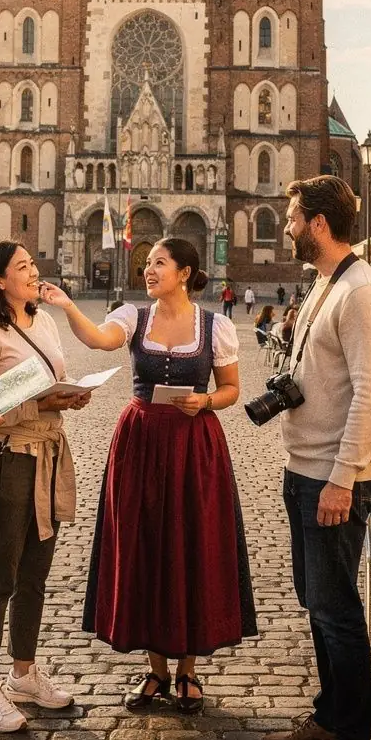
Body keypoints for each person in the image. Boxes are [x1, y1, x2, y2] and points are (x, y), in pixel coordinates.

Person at [43, 236, 256, 715]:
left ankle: (188, 672)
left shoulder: (215, 325)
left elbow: (231, 390)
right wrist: (66, 305)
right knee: (145, 545)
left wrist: (204, 401)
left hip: (193, 445)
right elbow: (98, 341)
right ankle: (156, 670)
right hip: (140, 441)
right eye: (147, 263)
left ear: (185, 272)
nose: (148, 269)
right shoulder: (133, 317)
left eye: (160, 263)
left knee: (191, 545)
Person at [260, 175, 371, 740]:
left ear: (317, 223)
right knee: (319, 605)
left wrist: (343, 479)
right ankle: (329, 715)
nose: (286, 227)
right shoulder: (327, 284)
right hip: (305, 468)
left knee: (338, 612)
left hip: (333, 479)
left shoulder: (363, 294)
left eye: (292, 218)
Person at [0, 241, 90, 732]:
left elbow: (48, 383)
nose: (34, 273)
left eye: (33, 264)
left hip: (49, 455)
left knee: (35, 573)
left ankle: (24, 673)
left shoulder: (44, 322)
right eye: (22, 267)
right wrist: (43, 399)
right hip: (8, 459)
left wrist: (67, 396)